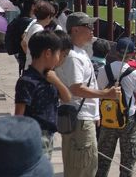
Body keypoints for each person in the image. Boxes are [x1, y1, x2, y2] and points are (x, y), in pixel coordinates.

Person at [55, 12, 121, 177]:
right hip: (80, 119)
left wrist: (95, 113)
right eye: (88, 26)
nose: (92, 30)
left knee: (87, 165)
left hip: (83, 117)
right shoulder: (73, 56)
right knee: (82, 167)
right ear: (75, 30)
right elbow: (77, 89)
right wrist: (105, 93)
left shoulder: (80, 52)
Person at [14, 28, 72, 159]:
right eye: (58, 54)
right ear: (48, 53)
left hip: (48, 135)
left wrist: (56, 81)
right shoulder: (27, 81)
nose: (59, 58)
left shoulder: (50, 77)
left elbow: (67, 97)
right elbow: (19, 114)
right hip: (34, 136)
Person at [96, 37, 136, 177]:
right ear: (132, 53)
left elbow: (98, 91)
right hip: (128, 120)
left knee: (103, 158)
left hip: (108, 117)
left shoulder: (104, 70)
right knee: (128, 160)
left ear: (116, 52)